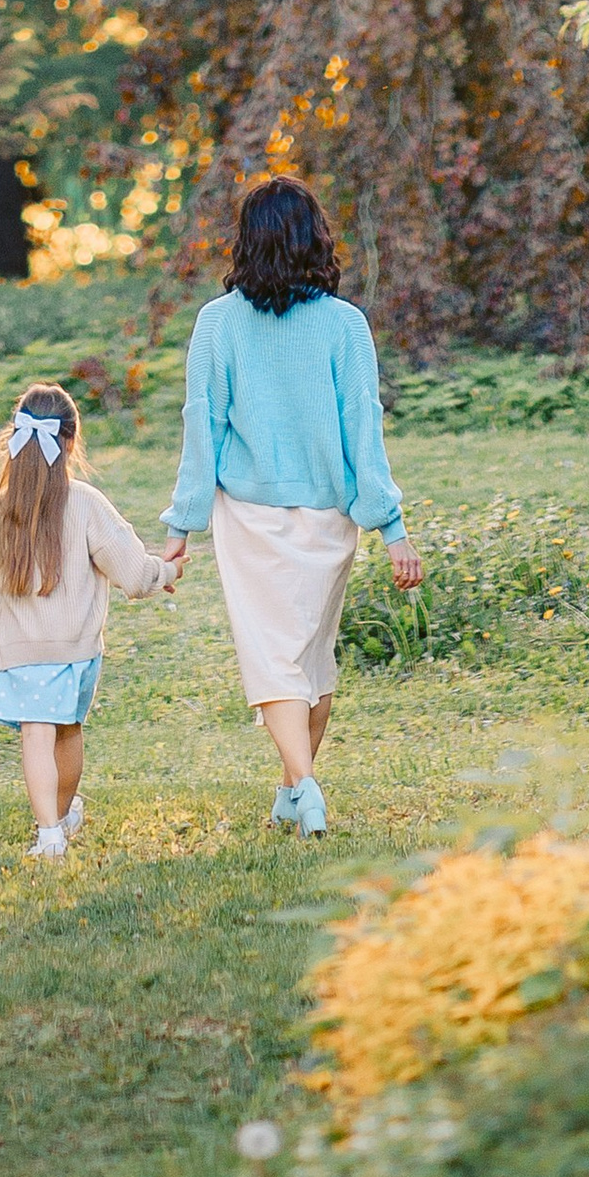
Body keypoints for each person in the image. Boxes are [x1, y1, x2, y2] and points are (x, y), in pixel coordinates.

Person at [162, 175, 423, 839]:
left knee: (275, 655)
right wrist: (391, 528)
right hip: (330, 516)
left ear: (246, 242)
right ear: (316, 238)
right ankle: (291, 792)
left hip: (247, 516)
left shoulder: (216, 322)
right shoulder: (345, 324)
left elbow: (204, 425)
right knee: (310, 657)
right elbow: (363, 429)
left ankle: (303, 785)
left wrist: (182, 525)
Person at [0, 379, 177, 860]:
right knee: (66, 730)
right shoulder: (87, 504)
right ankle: (62, 813)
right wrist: (166, 570)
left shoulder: (0, 510)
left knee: (36, 733)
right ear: (70, 442)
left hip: (23, 654)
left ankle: (50, 831)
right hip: (77, 653)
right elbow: (133, 572)